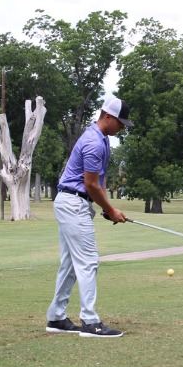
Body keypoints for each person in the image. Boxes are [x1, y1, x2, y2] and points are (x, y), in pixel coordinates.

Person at [45, 97, 133, 338]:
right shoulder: (94, 142)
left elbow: (98, 184)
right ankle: (90, 322)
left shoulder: (101, 139)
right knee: (88, 261)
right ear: (108, 117)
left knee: (70, 264)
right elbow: (91, 184)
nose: (122, 128)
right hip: (73, 203)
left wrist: (107, 208)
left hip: (72, 202)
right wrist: (111, 210)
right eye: (120, 123)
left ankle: (56, 317)